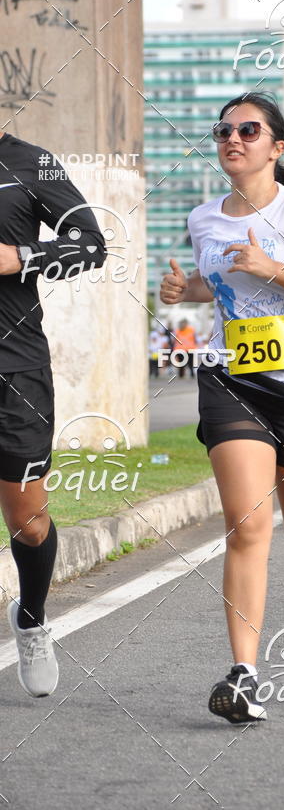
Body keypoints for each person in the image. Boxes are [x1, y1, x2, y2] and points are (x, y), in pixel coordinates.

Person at [160, 92, 284, 723]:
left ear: (276, 146)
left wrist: (272, 267)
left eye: (248, 130)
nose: (233, 139)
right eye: (224, 130)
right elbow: (222, 283)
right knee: (247, 527)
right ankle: (244, 676)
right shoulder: (203, 219)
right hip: (235, 380)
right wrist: (185, 289)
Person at [0, 133, 106, 697]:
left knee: (29, 521)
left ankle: (32, 617)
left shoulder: (31, 163)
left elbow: (91, 244)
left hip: (15, 372)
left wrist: (21, 256)